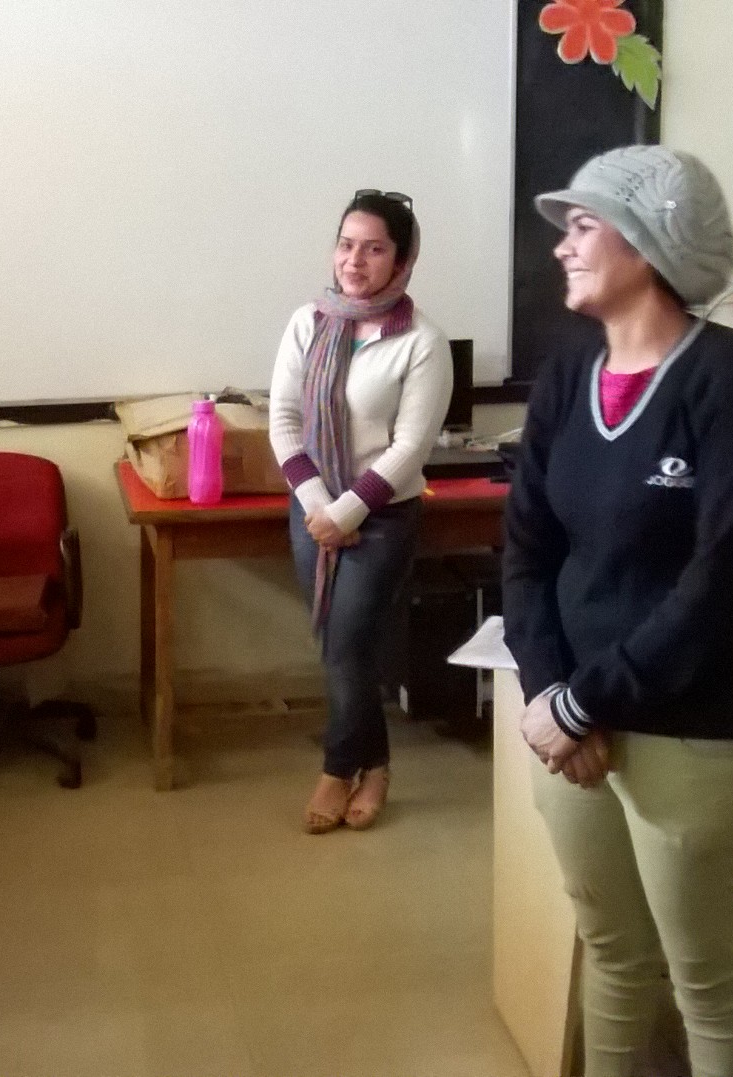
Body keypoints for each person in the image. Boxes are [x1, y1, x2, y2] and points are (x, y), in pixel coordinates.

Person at [503, 146, 733, 1077]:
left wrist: (584, 700)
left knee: (704, 978)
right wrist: (552, 692)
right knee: (614, 956)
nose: (562, 247)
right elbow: (526, 553)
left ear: (647, 241)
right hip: (572, 730)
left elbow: (722, 582)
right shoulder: (567, 374)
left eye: (582, 226)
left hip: (692, 732)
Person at [270, 190, 452, 834]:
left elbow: (411, 447)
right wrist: (320, 507)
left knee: (348, 644)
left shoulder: (422, 342)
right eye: (347, 245)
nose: (354, 261)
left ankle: (338, 767)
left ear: (401, 262)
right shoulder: (308, 323)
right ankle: (375, 767)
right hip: (312, 509)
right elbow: (283, 420)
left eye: (374, 249)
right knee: (338, 646)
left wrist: (347, 513)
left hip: (382, 517)